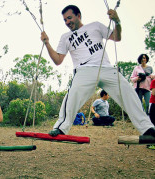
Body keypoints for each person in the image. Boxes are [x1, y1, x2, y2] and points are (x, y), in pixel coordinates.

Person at [40, 5, 155, 137]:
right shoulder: (65, 37)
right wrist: (47, 43)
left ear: (78, 16)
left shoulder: (95, 26)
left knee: (128, 93)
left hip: (106, 68)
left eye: (69, 18)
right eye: (65, 20)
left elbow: (116, 37)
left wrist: (117, 22)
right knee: (72, 95)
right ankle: (61, 128)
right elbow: (58, 60)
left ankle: (147, 129)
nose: (67, 22)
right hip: (84, 71)